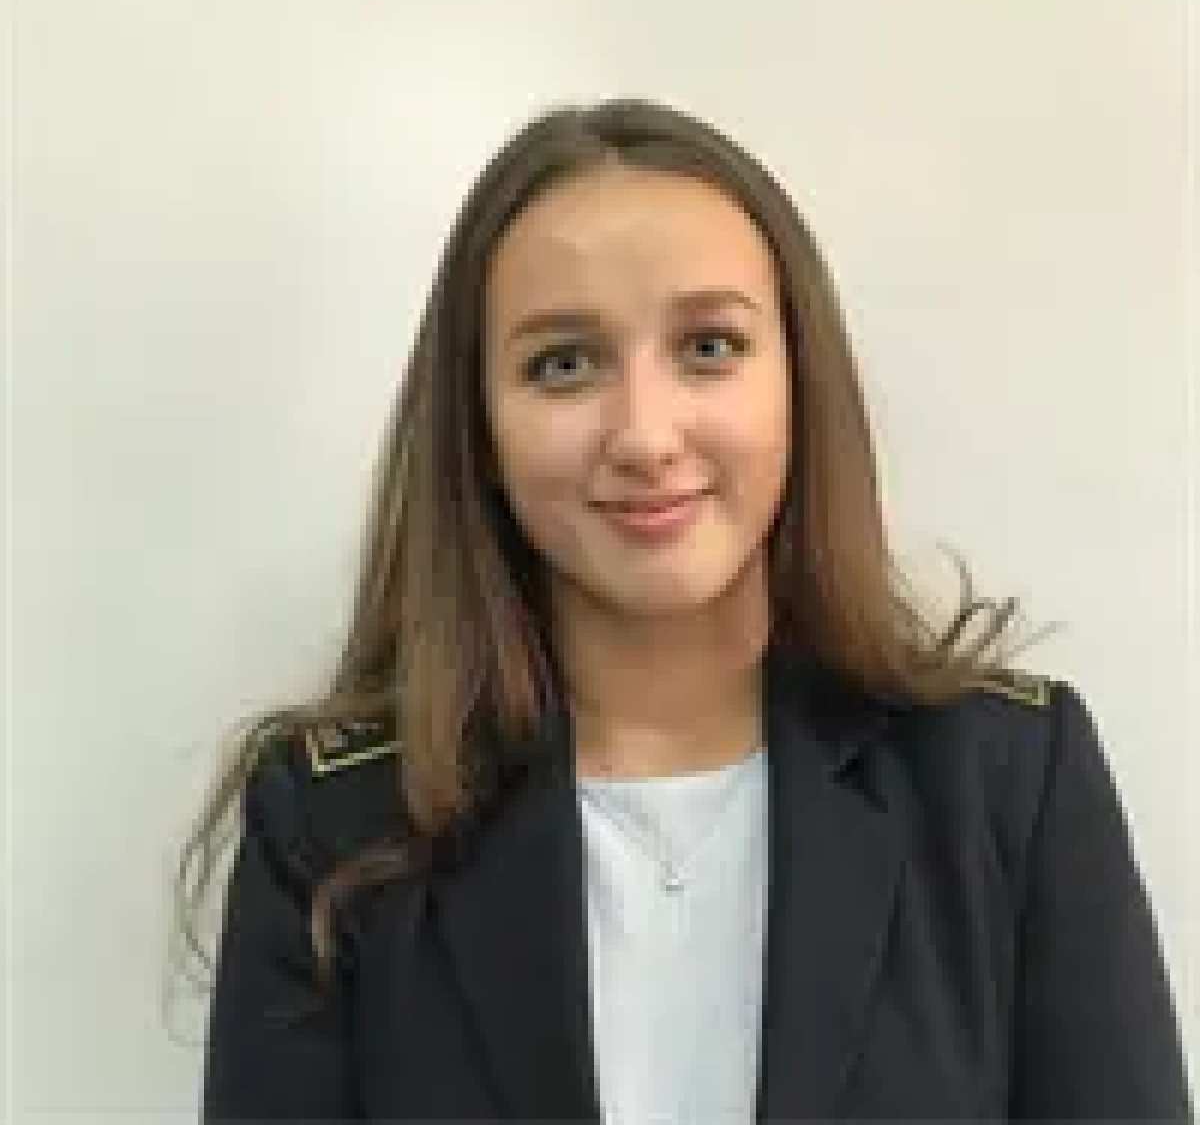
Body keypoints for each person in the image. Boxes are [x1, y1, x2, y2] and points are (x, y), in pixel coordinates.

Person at [179, 98, 1192, 1121]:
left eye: (709, 346)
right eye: (563, 364)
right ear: (480, 427)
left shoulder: (1003, 785)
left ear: (798, 384)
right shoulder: (334, 824)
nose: (645, 436)